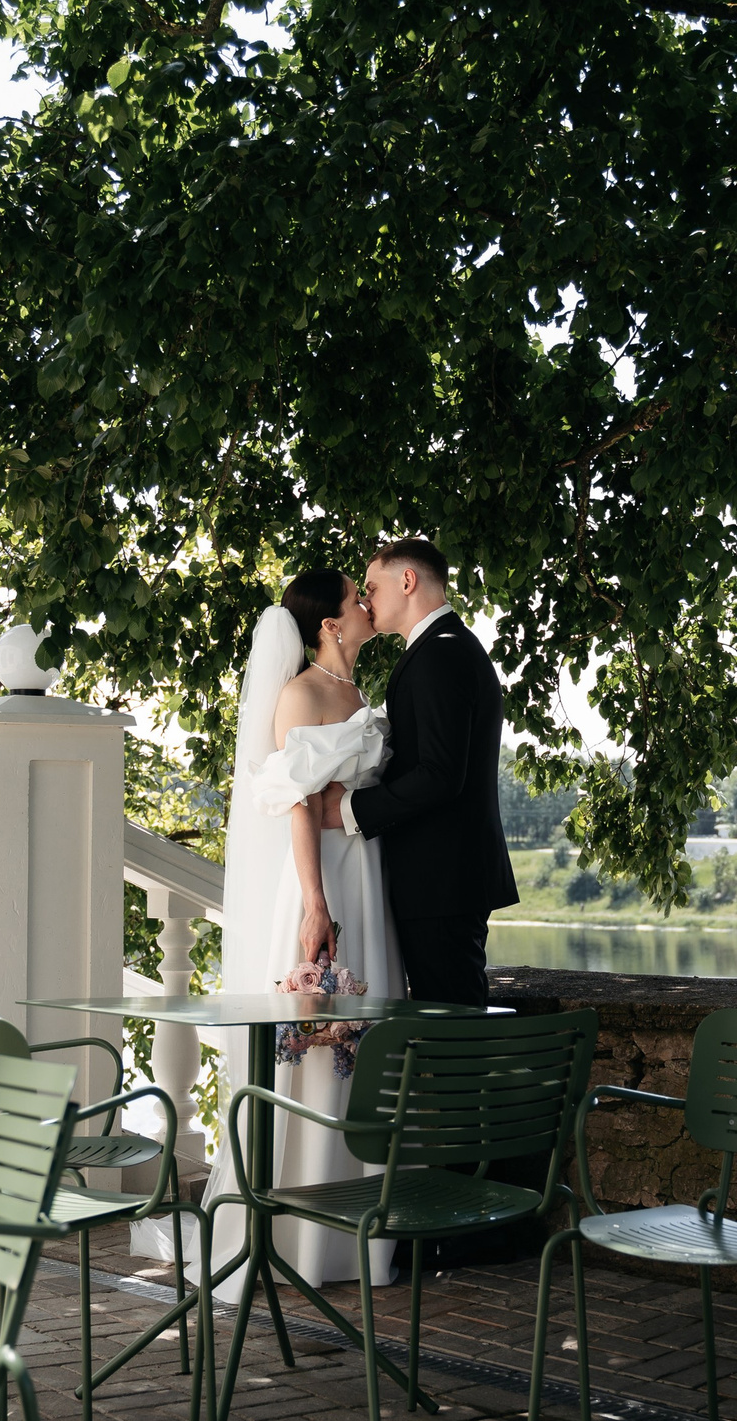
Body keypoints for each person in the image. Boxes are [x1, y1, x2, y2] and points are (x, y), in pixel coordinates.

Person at [195, 568, 399, 1293]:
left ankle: (358, 1235)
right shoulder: (301, 694)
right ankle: (300, 1236)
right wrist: (316, 902)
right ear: (329, 625)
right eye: (356, 598)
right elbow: (298, 804)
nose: (368, 605)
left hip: (366, 877)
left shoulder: (357, 694)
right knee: (313, 1047)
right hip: (323, 877)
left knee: (362, 1042)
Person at [321, 537, 519, 1005]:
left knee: (453, 1030)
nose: (366, 600)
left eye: (371, 586)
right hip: (443, 878)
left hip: (441, 881)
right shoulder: (443, 646)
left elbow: (439, 774)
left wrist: (348, 808)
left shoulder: (440, 652)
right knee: (449, 1024)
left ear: (407, 580)